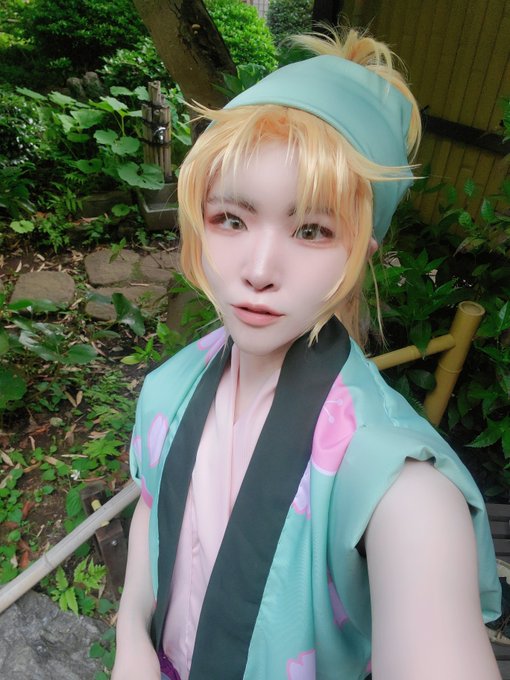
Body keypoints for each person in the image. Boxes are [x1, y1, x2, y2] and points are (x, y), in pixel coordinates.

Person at [112, 28, 501, 680]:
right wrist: (131, 635)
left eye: (312, 230)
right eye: (231, 219)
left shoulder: (400, 491)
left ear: (361, 254)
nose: (259, 270)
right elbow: (155, 511)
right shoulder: (169, 388)